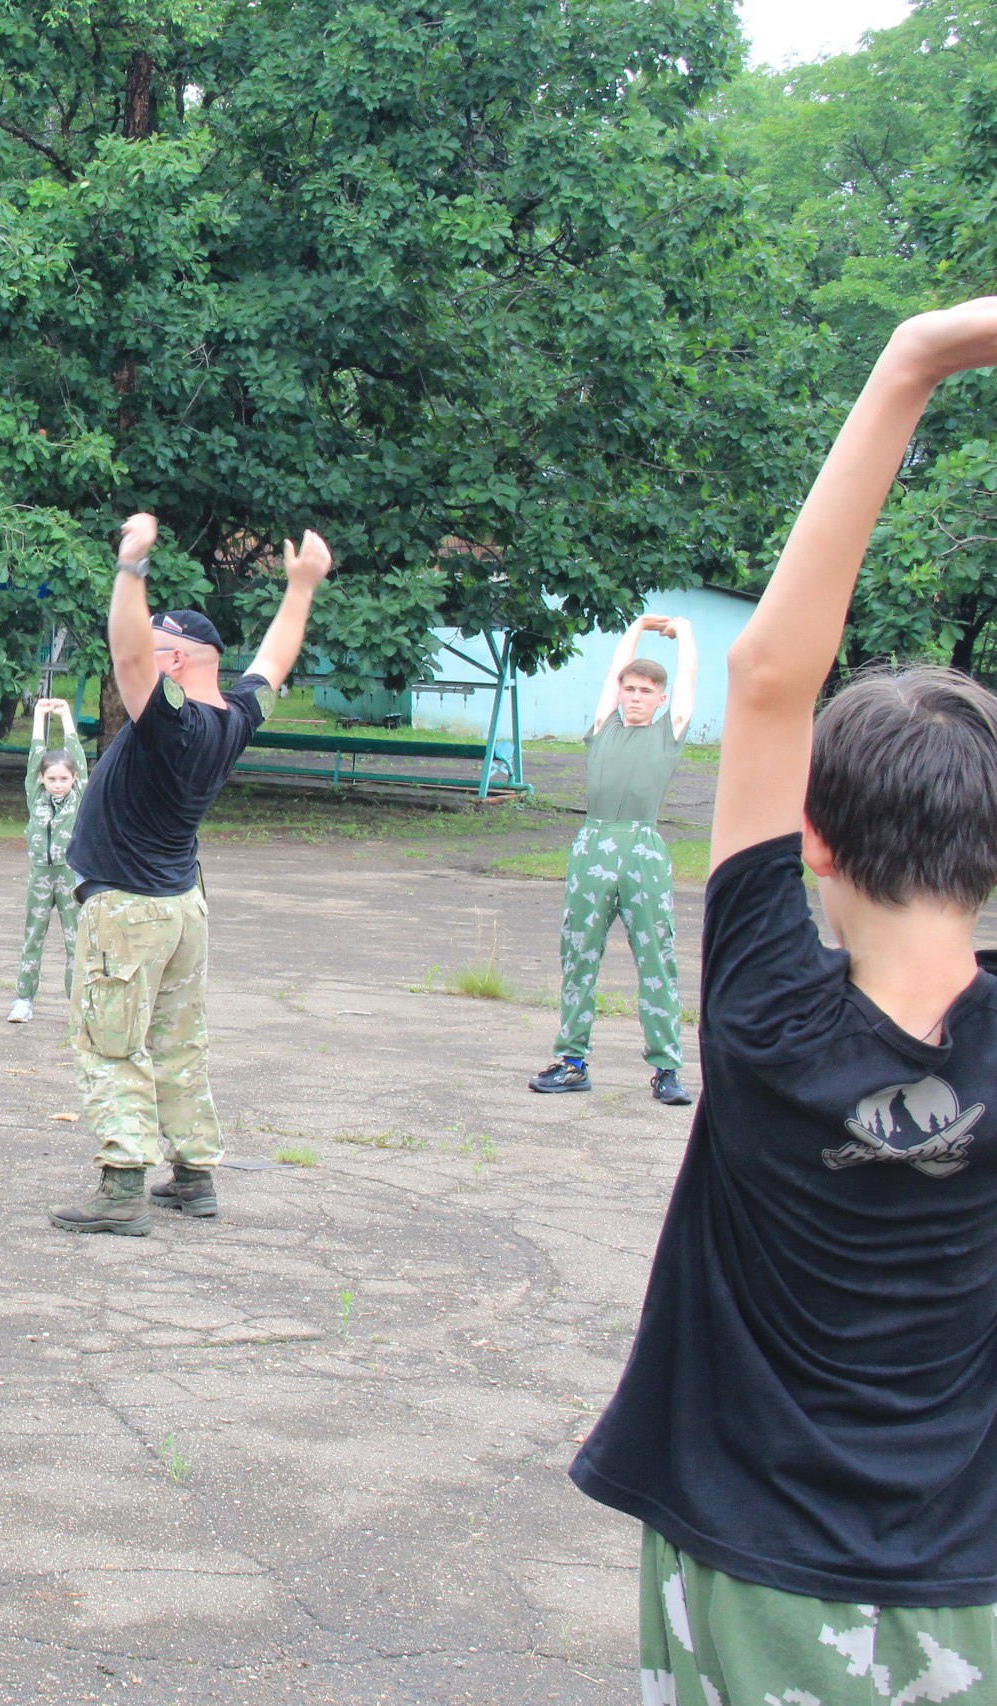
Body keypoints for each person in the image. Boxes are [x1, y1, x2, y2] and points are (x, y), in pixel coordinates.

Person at [569, 301, 997, 1703]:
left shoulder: (764, 1017)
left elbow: (767, 678)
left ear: (809, 838)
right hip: (968, 1593)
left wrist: (917, 357)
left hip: (749, 1578)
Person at [50, 512, 332, 1234]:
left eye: (160, 646)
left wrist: (131, 567)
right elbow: (274, 660)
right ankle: (196, 1176)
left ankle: (121, 1190)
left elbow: (126, 657)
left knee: (111, 1044)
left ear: (176, 662)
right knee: (178, 1041)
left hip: (130, 911)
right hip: (181, 909)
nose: (150, 650)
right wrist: (301, 586)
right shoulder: (234, 715)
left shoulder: (171, 719)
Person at [529, 613, 700, 1106]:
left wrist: (681, 632)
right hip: (592, 845)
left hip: (642, 851)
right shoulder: (603, 728)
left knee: (656, 958)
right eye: (630, 689)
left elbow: (687, 676)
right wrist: (639, 627)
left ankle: (666, 1068)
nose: (635, 696)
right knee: (578, 953)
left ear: (660, 699)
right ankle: (572, 1061)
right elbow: (611, 673)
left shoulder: (667, 733)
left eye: (646, 691)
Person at [11, 695, 87, 1024]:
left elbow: (78, 756)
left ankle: (79, 1006)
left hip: (71, 879)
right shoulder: (36, 794)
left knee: (77, 943)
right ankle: (24, 1000)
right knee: (33, 937)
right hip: (41, 877)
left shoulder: (79, 795)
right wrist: (40, 718)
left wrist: (66, 715)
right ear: (42, 779)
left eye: (63, 779)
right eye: (52, 779)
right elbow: (34, 758)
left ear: (73, 780)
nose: (58, 784)